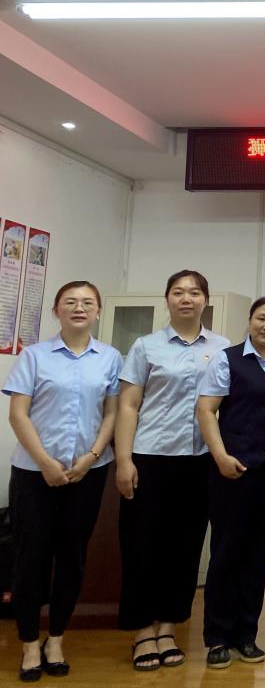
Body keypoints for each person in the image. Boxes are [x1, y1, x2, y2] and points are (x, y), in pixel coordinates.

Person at [4, 281, 122, 683]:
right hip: (34, 473)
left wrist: (91, 457)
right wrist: (45, 462)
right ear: (56, 311)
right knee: (30, 558)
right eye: (70, 301)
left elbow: (112, 413)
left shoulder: (110, 358)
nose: (79, 307)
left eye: (88, 302)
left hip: (87, 473)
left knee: (72, 557)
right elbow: (18, 414)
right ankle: (28, 643)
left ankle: (56, 638)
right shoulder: (34, 356)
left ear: (98, 311)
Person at [115, 270, 230, 671]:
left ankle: (168, 626)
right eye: (178, 292)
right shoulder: (146, 346)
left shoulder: (221, 348)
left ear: (205, 300)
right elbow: (128, 405)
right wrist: (124, 459)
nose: (186, 299)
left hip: (198, 460)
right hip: (149, 456)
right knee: (141, 545)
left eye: (194, 292)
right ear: (167, 299)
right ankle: (142, 630)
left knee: (184, 547)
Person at [195, 296, 265, 669]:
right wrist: (221, 456)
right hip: (233, 469)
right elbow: (206, 410)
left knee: (259, 555)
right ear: (250, 320)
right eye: (261, 318)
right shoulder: (227, 360)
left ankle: (246, 634)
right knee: (227, 552)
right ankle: (217, 637)